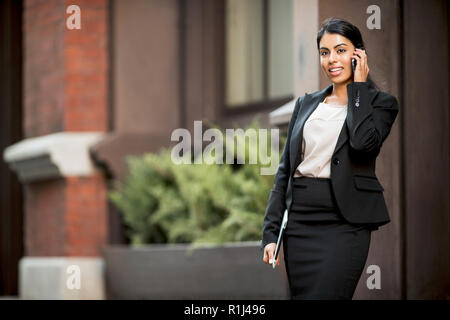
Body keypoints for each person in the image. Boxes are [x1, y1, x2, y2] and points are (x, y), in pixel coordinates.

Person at [261, 18, 399, 300]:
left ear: (358, 55)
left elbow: (362, 145)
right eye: (325, 53)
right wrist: (271, 231)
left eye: (340, 50)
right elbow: (286, 170)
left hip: (344, 224)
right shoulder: (306, 103)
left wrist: (358, 88)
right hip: (300, 225)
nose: (332, 59)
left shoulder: (382, 104)